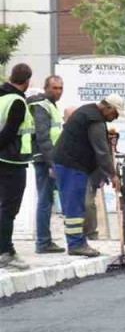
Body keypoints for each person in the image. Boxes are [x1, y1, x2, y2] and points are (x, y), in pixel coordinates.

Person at [52, 95, 125, 257]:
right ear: (108, 108)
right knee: (75, 205)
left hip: (68, 163)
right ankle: (76, 244)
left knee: (75, 204)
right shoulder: (95, 120)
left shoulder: (88, 112)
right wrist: (113, 175)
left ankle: (78, 241)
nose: (115, 118)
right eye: (115, 114)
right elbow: (101, 151)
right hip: (72, 165)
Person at [0, 63, 34, 270]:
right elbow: (9, 134)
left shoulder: (2, 96)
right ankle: (6, 252)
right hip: (12, 161)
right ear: (27, 81)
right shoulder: (17, 101)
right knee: (9, 209)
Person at [28, 75, 65, 253]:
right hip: (44, 160)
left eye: (60, 88)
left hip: (49, 158)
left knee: (48, 200)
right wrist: (51, 163)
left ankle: (45, 241)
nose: (58, 92)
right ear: (46, 88)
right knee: (45, 200)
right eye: (54, 88)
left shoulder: (50, 105)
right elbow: (43, 137)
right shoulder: (42, 106)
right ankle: (43, 242)